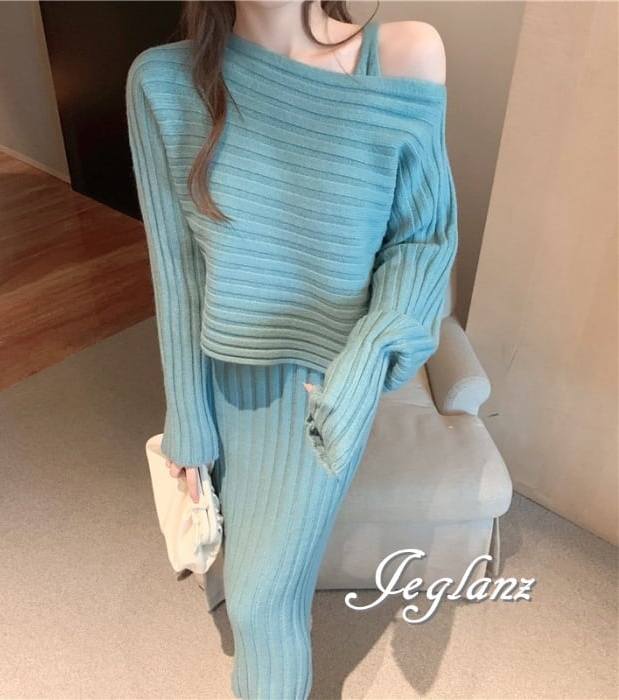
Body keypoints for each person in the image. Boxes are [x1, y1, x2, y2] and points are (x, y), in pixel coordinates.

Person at [125, 1, 458, 697]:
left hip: (321, 389)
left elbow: (421, 243)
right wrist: (187, 416)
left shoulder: (401, 56)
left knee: (260, 601)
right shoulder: (161, 81)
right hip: (221, 376)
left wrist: (368, 361)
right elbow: (178, 269)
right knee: (259, 572)